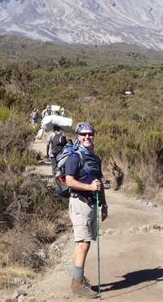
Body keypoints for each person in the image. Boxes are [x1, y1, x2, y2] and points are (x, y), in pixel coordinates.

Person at [65, 122, 108, 298]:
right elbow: (69, 181)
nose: (87, 137)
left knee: (82, 243)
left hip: (91, 205)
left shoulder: (95, 158)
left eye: (90, 134)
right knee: (84, 243)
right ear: (78, 136)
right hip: (79, 203)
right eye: (83, 134)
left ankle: (79, 277)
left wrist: (104, 204)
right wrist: (89, 188)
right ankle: (77, 284)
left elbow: (99, 183)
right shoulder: (74, 157)